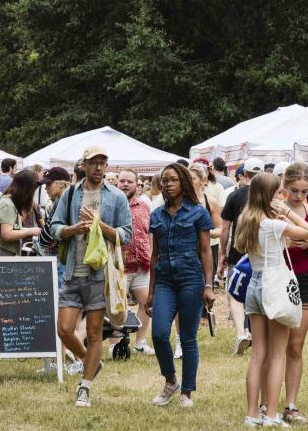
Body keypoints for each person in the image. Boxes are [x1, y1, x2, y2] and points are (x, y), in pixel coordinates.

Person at [48, 145, 133, 409]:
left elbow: (126, 235)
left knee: (95, 333)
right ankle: (90, 362)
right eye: (93, 162)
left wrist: (100, 224)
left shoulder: (116, 196)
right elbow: (54, 226)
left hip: (99, 274)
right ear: (83, 165)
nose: (98, 167)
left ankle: (84, 388)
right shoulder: (71, 193)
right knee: (64, 329)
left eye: (103, 163)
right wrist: (72, 229)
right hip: (73, 270)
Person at [237, 171, 308, 427]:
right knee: (277, 355)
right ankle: (271, 414)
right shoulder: (273, 224)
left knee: (258, 354)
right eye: (278, 192)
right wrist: (288, 212)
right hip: (275, 284)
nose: (282, 196)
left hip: (255, 285)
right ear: (269, 195)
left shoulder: (246, 219)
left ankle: (252, 413)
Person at [145, 161, 215, 408]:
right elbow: (154, 256)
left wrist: (208, 285)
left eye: (173, 179)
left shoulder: (198, 212)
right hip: (164, 280)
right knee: (159, 334)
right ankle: (171, 380)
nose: (168, 184)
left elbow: (206, 251)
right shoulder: (156, 215)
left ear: (184, 182)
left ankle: (187, 391)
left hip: (191, 279)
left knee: (187, 337)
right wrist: (151, 292)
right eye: (165, 180)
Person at [279, 163, 308, 424]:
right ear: (285, 187)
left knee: (295, 345)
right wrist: (283, 241)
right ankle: (267, 402)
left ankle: (291, 404)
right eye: (294, 190)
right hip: (278, 276)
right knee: (276, 346)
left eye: (304, 191)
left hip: (305, 277)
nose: (298, 196)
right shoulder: (276, 209)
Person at [223, 157, 264, 356]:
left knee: (235, 295)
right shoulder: (269, 198)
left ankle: (242, 332)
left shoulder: (234, 196)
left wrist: (223, 252)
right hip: (262, 255)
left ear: (243, 174)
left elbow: (225, 229)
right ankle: (256, 334)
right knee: (258, 295)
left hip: (238, 252)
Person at [117, 169, 154, 354]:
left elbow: (150, 233)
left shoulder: (145, 206)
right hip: (119, 267)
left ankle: (140, 343)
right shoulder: (112, 204)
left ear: (137, 185)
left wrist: (152, 254)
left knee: (147, 303)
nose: (125, 184)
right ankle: (114, 344)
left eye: (129, 181)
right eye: (122, 181)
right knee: (116, 307)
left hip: (142, 265)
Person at [0, 171, 40, 275]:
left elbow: (13, 228)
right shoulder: (7, 205)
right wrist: (31, 231)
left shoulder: (9, 202)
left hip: (1, 252)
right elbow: (7, 234)